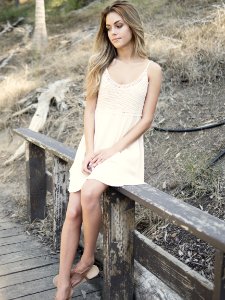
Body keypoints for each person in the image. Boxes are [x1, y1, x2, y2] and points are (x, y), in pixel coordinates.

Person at [54, 1, 162, 299]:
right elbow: (89, 111)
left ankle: (88, 258)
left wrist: (111, 150)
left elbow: (147, 119)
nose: (113, 32)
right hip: (92, 146)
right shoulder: (100, 64)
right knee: (73, 210)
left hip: (123, 148)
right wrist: (90, 150)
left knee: (89, 193)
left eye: (119, 25)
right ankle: (63, 283)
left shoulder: (152, 70)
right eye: (108, 28)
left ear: (131, 25)